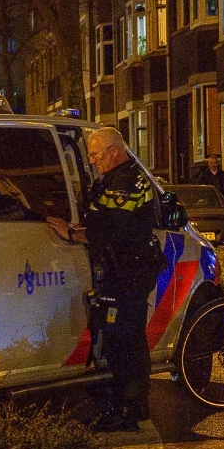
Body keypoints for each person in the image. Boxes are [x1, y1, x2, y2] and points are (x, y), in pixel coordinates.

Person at [48, 127, 165, 432]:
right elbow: (102, 219)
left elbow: (111, 229)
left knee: (123, 341)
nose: (93, 161)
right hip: (125, 269)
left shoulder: (127, 182)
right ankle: (130, 406)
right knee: (123, 339)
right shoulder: (118, 178)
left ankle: (129, 410)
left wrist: (72, 233)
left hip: (129, 272)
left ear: (114, 150)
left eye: (96, 155)